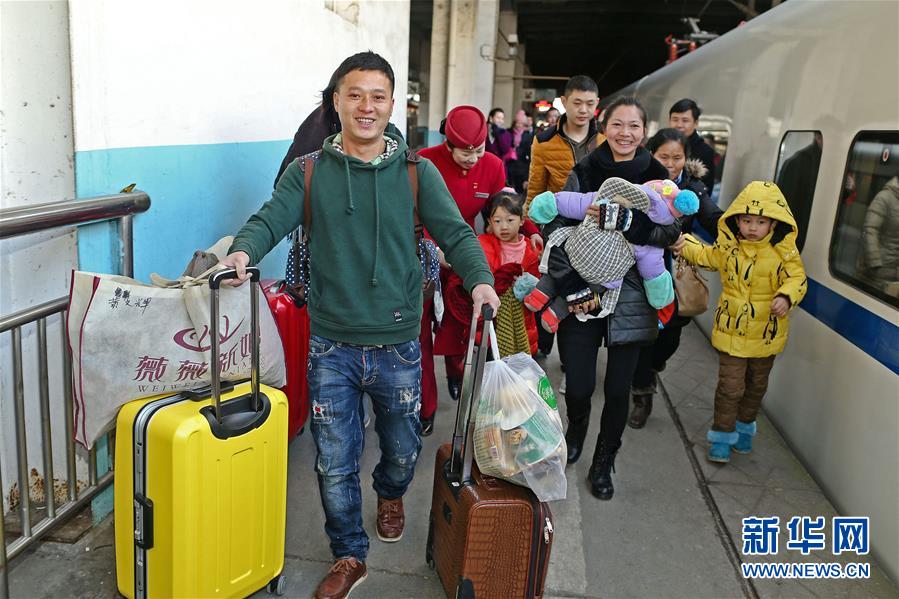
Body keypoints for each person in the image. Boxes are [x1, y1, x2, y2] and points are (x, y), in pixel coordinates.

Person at [218, 52, 500, 599]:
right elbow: (269, 219)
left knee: (400, 451)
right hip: (331, 346)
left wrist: (482, 279)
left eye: (377, 96)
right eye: (354, 95)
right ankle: (349, 553)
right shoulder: (310, 173)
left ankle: (391, 492)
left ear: (394, 105)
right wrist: (241, 252)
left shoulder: (419, 174)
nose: (366, 107)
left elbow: (458, 235)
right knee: (333, 461)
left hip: (397, 344)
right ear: (336, 102)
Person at [547, 96, 679, 501]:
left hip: (635, 297)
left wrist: (635, 226)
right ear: (605, 127)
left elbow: (671, 234)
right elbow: (558, 225)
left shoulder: (658, 175)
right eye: (618, 125)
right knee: (582, 386)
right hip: (583, 293)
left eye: (634, 126)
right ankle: (576, 432)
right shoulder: (585, 170)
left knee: (619, 389)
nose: (625, 134)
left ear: (644, 131)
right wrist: (575, 290)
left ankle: (605, 459)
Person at [418, 106, 543, 430]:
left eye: (479, 150)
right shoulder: (424, 161)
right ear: (448, 144)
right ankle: (426, 407)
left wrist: (531, 232)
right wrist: (433, 248)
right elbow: (411, 211)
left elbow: (504, 205)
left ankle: (456, 371)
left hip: (467, 258)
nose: (473, 159)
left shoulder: (494, 166)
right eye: (465, 152)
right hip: (425, 253)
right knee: (421, 335)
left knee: (461, 326)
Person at [675, 180, 807, 463]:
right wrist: (684, 244)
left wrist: (785, 296)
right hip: (732, 332)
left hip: (766, 334)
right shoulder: (730, 248)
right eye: (746, 220)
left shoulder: (784, 252)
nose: (752, 227)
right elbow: (707, 256)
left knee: (756, 386)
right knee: (730, 387)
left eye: (760, 221)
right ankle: (722, 436)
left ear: (773, 224)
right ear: (736, 220)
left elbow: (798, 279)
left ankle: (745, 429)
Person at [628, 128, 723, 429]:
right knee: (644, 334)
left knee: (669, 337)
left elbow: (711, 216)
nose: (670, 163)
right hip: (641, 271)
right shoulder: (639, 185)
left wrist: (740, 226)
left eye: (677, 157)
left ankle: (653, 368)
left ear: (686, 158)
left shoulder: (693, 189)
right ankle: (642, 395)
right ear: (651, 154)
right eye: (664, 156)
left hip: (678, 274)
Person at [524, 75, 604, 363]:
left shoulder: (606, 140)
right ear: (565, 103)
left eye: (590, 104)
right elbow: (535, 189)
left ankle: (573, 360)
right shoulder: (544, 141)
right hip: (555, 229)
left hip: (595, 230)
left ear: (597, 105)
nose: (583, 110)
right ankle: (543, 347)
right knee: (551, 283)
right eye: (577, 103)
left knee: (580, 291)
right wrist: (532, 228)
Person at [471, 191, 541, 357]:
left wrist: (526, 285)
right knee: (491, 368)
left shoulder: (532, 250)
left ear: (522, 220)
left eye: (510, 220)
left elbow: (538, 288)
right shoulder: (482, 245)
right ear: (489, 222)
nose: (504, 226)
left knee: (520, 368)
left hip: (523, 319)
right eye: (497, 221)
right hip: (491, 322)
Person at [775, 133, 822, 252]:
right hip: (795, 239)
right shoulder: (798, 163)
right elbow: (785, 206)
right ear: (817, 137)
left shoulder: (829, 163)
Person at [668, 98, 716, 192]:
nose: (679, 125)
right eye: (675, 119)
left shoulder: (705, 151)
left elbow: (706, 189)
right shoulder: (659, 144)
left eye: (685, 120)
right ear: (669, 121)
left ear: (696, 123)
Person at [862, 176, 899, 289]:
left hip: (895, 274)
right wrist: (875, 264)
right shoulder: (884, 197)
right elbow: (870, 229)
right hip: (877, 273)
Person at [507, 110, 535, 193]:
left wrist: (527, 177)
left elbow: (530, 156)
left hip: (521, 168)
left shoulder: (527, 135)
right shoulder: (508, 132)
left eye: (521, 123)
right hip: (509, 165)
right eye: (517, 123)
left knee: (519, 192)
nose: (519, 125)